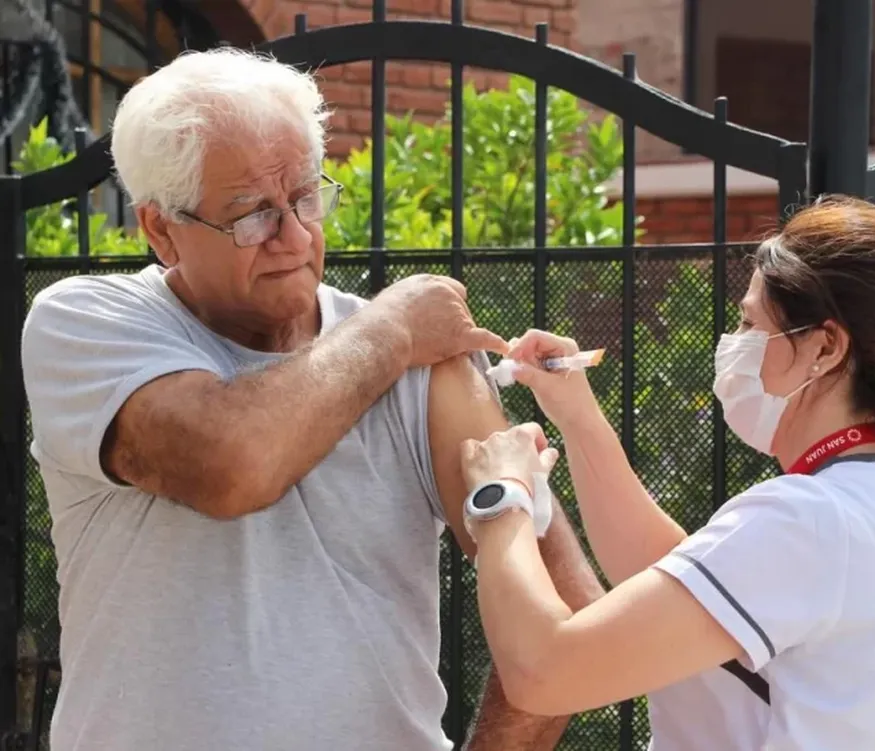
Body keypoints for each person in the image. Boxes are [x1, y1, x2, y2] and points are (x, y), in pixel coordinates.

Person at [20, 48, 605, 751]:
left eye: (304, 196)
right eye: (252, 215)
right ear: (161, 230)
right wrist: (390, 328)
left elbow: (569, 615)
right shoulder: (86, 324)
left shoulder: (426, 366)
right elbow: (234, 465)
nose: (295, 237)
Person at [457, 196, 875, 750]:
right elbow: (675, 576)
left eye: (750, 323)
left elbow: (546, 672)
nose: (734, 344)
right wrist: (579, 417)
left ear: (825, 347)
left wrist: (503, 499)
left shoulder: (809, 518)